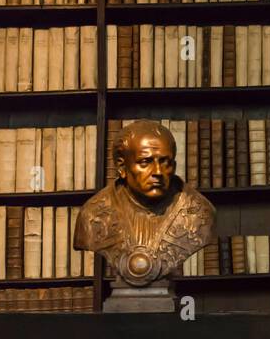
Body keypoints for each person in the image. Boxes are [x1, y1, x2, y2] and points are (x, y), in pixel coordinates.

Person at [74, 120, 214, 288]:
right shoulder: (92, 215)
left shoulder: (199, 213)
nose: (157, 172)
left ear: (174, 166)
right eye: (145, 162)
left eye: (165, 162)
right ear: (122, 166)